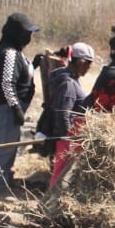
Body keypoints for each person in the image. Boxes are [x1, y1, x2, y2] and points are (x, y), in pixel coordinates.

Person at [0, 13, 41, 193]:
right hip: (5, 108)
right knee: (4, 146)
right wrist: (16, 108)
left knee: (10, 144)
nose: (29, 38)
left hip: (8, 107)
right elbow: (6, 83)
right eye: (27, 33)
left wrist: (35, 64)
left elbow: (19, 74)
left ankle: (5, 178)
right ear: (17, 33)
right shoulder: (9, 53)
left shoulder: (14, 50)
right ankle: (0, 186)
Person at [47, 42, 96, 186]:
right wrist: (69, 139)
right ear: (80, 62)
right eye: (87, 64)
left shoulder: (71, 78)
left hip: (69, 135)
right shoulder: (68, 83)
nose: (88, 68)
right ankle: (51, 201)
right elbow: (63, 113)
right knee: (61, 173)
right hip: (67, 136)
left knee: (64, 173)